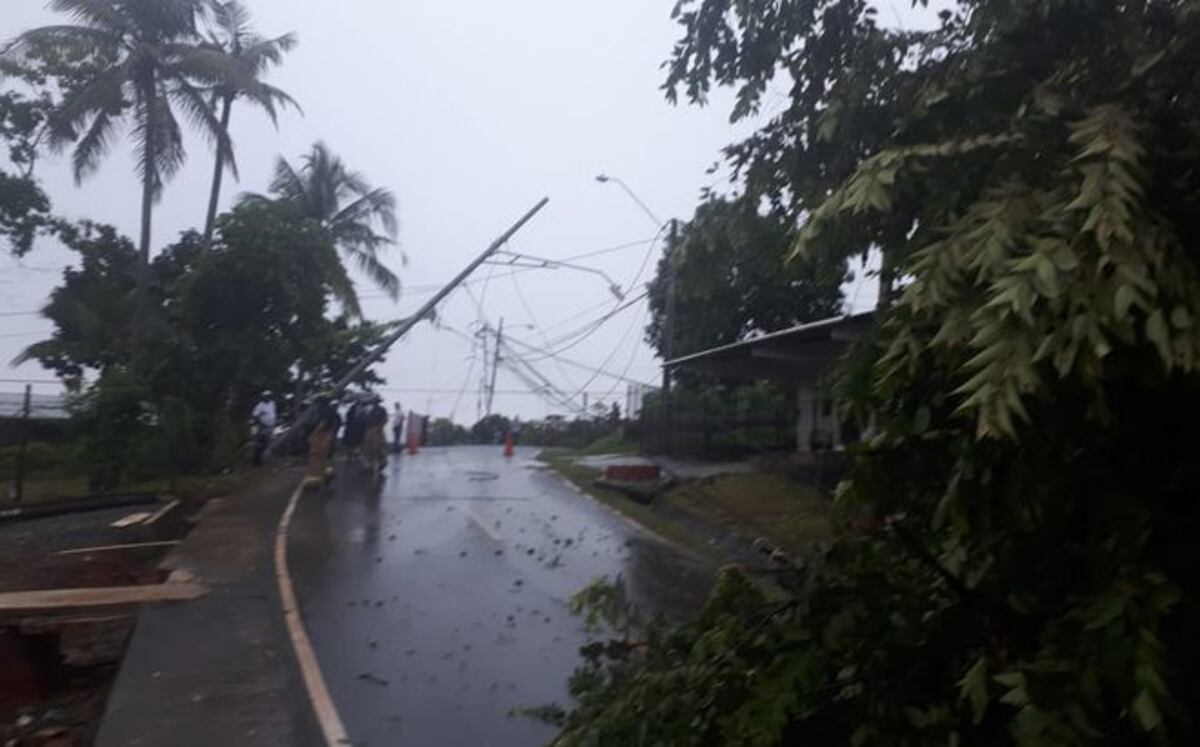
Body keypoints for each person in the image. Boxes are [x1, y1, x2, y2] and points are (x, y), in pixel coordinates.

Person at [306, 396, 341, 486]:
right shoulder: (333, 411)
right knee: (325, 455)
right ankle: (328, 472)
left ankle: (314, 479)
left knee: (316, 455)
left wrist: (313, 434)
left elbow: (323, 423)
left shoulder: (322, 410)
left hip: (321, 434)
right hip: (329, 434)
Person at [361, 395, 389, 470]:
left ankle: (382, 460)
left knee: (377, 446)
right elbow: (365, 419)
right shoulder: (370, 409)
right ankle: (369, 463)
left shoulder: (382, 409)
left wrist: (380, 427)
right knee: (367, 446)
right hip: (368, 429)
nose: (374, 402)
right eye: (373, 401)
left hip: (377, 428)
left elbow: (385, 419)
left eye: (376, 401)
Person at [250, 391, 277, 466]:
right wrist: (260, 425)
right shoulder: (260, 406)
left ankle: (263, 460)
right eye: (266, 396)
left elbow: (273, 413)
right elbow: (255, 416)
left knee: (267, 443)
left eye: (269, 396)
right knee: (260, 444)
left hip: (271, 426)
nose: (268, 397)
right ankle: (256, 461)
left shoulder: (272, 403)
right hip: (263, 427)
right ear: (263, 397)